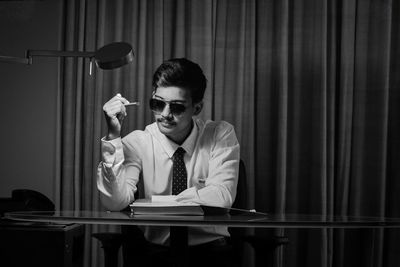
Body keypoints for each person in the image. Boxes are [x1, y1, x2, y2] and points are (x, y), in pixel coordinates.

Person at [97, 58, 240, 267]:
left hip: (211, 252)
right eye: (157, 104)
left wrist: (162, 203)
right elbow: (114, 202)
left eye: (177, 107)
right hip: (155, 254)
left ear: (197, 108)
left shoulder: (220, 134)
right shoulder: (139, 142)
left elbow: (222, 196)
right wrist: (113, 135)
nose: (165, 114)